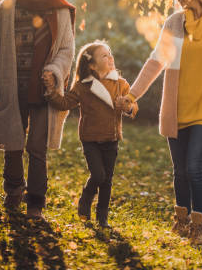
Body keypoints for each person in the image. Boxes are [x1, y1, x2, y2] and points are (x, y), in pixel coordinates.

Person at [117, 0, 202, 244]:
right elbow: (155, 62)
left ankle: (200, 223)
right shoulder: (173, 23)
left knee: (195, 168)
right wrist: (132, 94)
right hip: (176, 110)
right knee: (180, 171)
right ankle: (181, 220)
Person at [0, 0, 76, 218]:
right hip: (13, 87)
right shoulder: (8, 7)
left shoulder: (60, 9)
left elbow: (67, 50)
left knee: (37, 146)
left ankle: (36, 202)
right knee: (13, 142)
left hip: (43, 91)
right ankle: (13, 190)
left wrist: (54, 72)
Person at [42, 41, 138, 228]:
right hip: (90, 139)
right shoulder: (83, 86)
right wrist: (51, 91)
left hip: (111, 138)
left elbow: (134, 108)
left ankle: (102, 217)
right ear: (92, 65)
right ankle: (86, 199)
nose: (110, 57)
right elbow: (64, 103)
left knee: (107, 180)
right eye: (104, 55)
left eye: (110, 53)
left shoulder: (121, 84)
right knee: (98, 175)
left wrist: (127, 106)